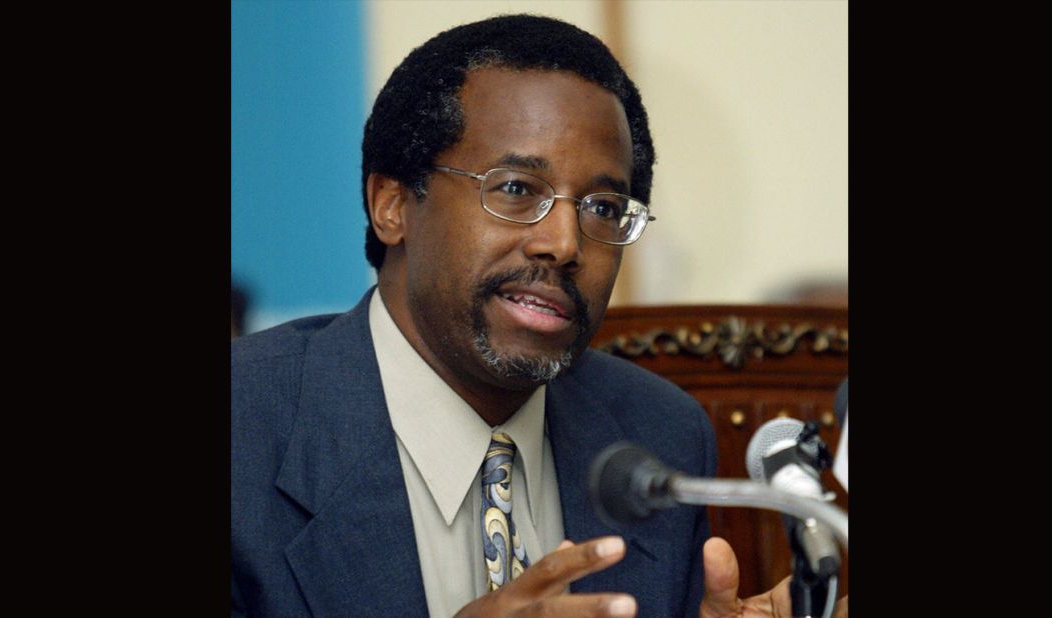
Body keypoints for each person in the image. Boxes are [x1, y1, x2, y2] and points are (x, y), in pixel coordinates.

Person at [231, 14, 846, 618]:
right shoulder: (243, 429)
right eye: (518, 190)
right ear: (392, 204)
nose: (565, 243)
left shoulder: (656, 434)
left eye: (603, 208)